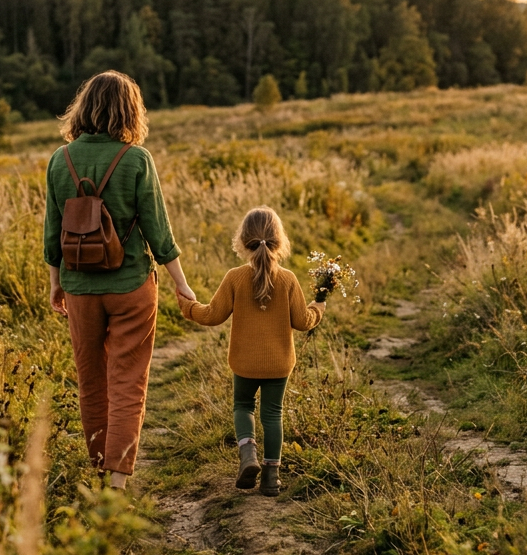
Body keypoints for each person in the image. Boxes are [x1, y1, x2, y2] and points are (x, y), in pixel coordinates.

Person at [44, 70, 195, 491]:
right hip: (131, 287)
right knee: (128, 381)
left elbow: (52, 231)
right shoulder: (136, 159)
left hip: (79, 287)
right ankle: (117, 479)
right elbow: (158, 232)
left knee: (91, 380)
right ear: (130, 111)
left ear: (84, 107)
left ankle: (97, 468)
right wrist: (181, 283)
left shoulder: (60, 160)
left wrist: (56, 282)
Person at [176, 206, 324, 496]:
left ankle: (248, 455)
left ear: (243, 241)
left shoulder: (235, 278)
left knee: (243, 406)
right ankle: (271, 479)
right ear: (279, 240)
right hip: (279, 364)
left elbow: (212, 315)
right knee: (273, 414)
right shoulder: (288, 280)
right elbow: (303, 321)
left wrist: (187, 305)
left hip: (244, 362)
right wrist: (318, 306)